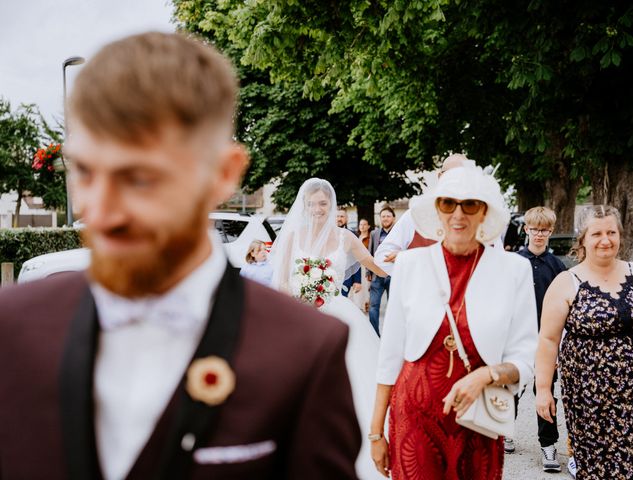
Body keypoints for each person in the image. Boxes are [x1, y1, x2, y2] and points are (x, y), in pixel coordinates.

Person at [0, 32, 361, 480]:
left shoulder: (306, 350)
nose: (102, 214)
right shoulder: (9, 329)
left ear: (224, 174)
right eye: (86, 172)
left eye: (141, 178)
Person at [371, 166, 537, 479]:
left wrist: (486, 375)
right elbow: (390, 354)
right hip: (415, 421)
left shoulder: (513, 270)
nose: (458, 214)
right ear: (437, 209)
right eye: (448, 203)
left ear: (484, 212)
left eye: (470, 204)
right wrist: (376, 432)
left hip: (479, 422)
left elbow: (526, 356)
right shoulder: (410, 264)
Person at [270, 178, 388, 479]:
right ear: (305, 206)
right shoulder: (293, 235)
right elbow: (282, 280)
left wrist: (408, 267)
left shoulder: (346, 238)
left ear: (332, 205)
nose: (318, 208)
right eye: (313, 203)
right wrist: (300, 299)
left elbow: (372, 263)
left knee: (353, 377)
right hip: (299, 316)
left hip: (339, 314)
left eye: (323, 203)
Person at [536, 205, 633, 480]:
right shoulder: (566, 282)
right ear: (582, 239)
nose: (605, 240)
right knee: (598, 466)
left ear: (620, 235)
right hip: (589, 398)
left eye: (611, 232)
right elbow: (548, 340)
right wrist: (544, 390)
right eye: (596, 234)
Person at [506, 207, 566, 468]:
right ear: (526, 229)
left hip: (547, 339)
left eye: (544, 230)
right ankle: (505, 433)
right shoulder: (514, 262)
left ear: (550, 232)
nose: (539, 234)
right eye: (534, 229)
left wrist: (561, 346)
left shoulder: (558, 267)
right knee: (511, 389)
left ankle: (548, 445)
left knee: (544, 391)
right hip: (518, 337)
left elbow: (566, 307)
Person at [374, 154, 475, 276]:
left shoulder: (484, 218)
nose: (457, 180)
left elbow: (496, 267)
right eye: (452, 174)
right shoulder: (416, 215)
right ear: (440, 176)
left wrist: (414, 258)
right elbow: (382, 257)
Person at [367, 206, 396, 335]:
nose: (385, 218)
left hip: (394, 276)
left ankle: (391, 335)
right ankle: (374, 334)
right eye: (383, 216)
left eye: (388, 216)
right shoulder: (374, 233)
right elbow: (370, 252)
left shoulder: (398, 232)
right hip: (377, 275)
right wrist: (369, 272)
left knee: (393, 308)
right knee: (373, 307)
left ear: (393, 218)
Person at [337, 206, 363, 297]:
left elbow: (356, 259)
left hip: (346, 278)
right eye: (337, 216)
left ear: (347, 219)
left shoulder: (353, 235)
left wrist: (357, 281)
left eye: (342, 216)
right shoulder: (326, 234)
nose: (339, 219)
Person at [350, 218, 372, 313]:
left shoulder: (370, 238)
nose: (362, 226)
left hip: (366, 265)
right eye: (360, 224)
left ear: (368, 226)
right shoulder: (356, 237)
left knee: (366, 286)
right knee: (358, 285)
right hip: (357, 265)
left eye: (364, 224)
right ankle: (357, 304)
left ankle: (366, 304)